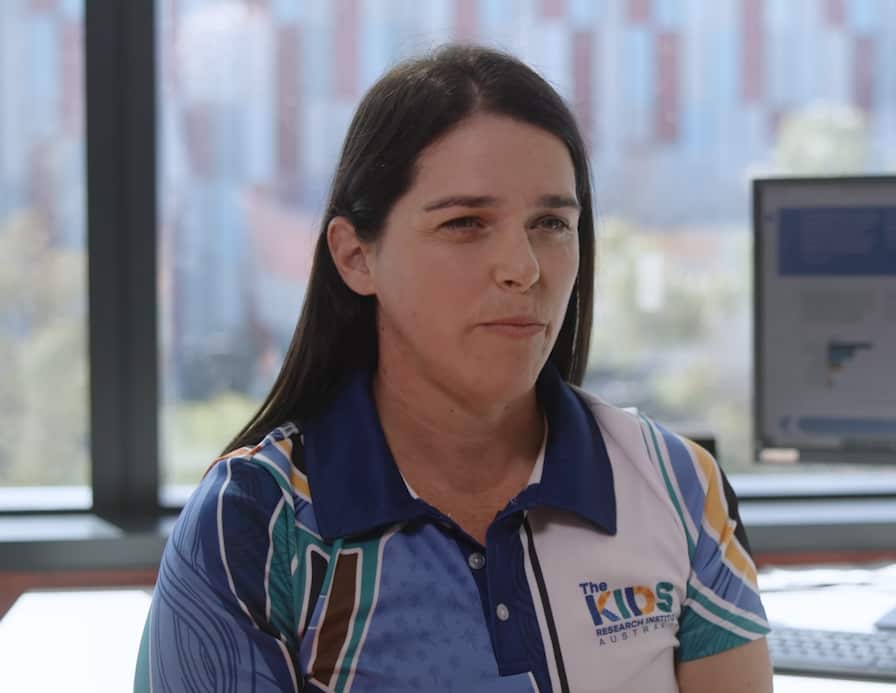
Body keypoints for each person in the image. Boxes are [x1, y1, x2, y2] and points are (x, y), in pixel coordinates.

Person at [135, 45, 772, 692]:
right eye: (466, 223)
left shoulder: (679, 488)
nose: (523, 267)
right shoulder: (256, 523)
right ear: (356, 256)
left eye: (552, 222)